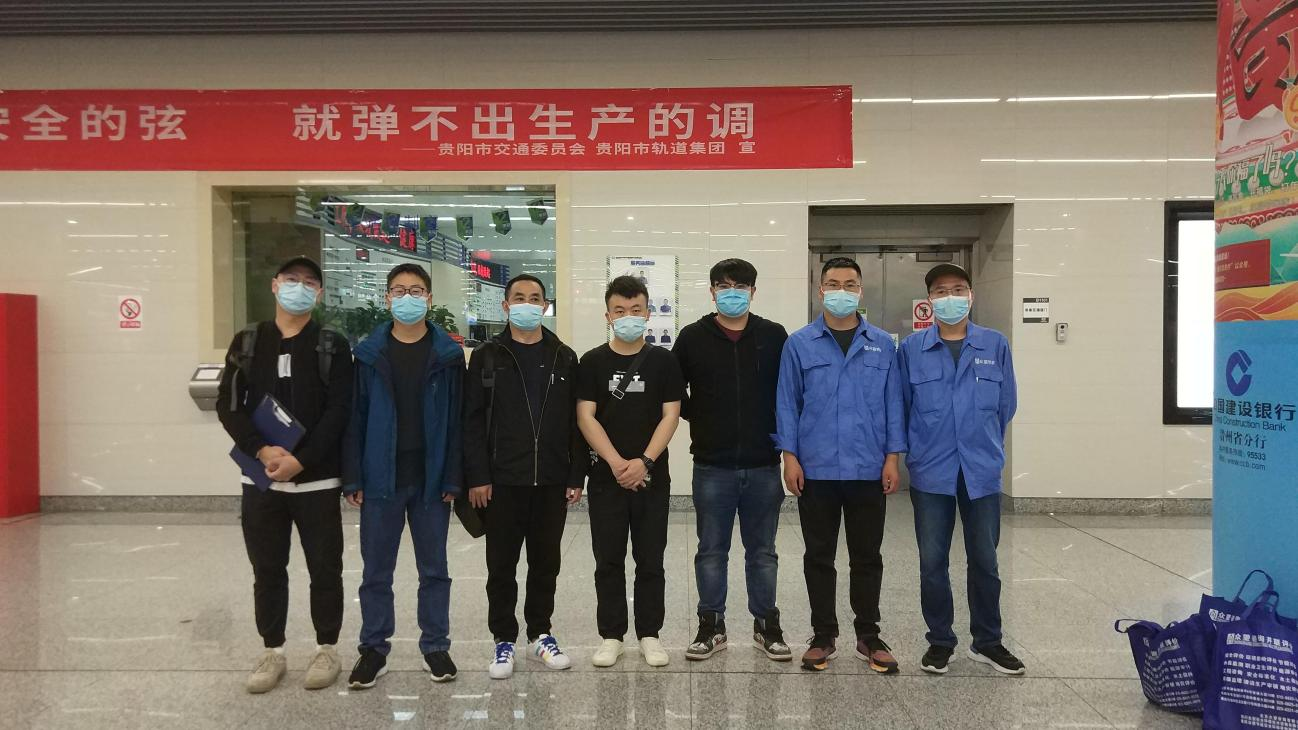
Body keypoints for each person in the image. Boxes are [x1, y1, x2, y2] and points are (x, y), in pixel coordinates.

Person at [216, 255, 353, 694]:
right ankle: (272, 650)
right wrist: (260, 449)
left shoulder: (331, 346)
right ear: (275, 285)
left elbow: (339, 412)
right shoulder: (248, 342)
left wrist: (302, 460)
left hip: (317, 481)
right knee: (268, 568)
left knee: (325, 568)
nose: (300, 287)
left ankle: (326, 647)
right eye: (292, 280)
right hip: (261, 479)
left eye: (309, 282)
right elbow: (228, 404)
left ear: (320, 293)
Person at [775, 256, 906, 674]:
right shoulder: (799, 344)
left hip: (868, 468)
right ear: (820, 290)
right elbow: (787, 404)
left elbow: (893, 404)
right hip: (816, 469)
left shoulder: (882, 344)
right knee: (819, 555)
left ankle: (869, 635)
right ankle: (823, 635)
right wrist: (789, 457)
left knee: (867, 556)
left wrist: (892, 458)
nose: (841, 292)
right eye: (833, 284)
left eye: (850, 284)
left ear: (860, 291)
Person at [343, 263, 465, 689]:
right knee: (376, 571)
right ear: (387, 298)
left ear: (429, 298)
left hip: (431, 479)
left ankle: (435, 646)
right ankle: (373, 650)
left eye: (416, 290)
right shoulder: (369, 354)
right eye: (399, 290)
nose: (407, 297)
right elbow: (354, 418)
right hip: (381, 478)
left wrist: (453, 478)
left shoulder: (448, 356)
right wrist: (353, 477)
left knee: (435, 570)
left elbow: (458, 421)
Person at [898, 264, 1024, 676]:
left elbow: (1006, 405)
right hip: (931, 470)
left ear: (970, 295)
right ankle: (940, 642)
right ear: (929, 300)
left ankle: (987, 642)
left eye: (958, 289)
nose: (950, 297)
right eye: (940, 291)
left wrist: (982, 443)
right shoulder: (912, 349)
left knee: (985, 560)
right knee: (933, 562)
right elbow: (901, 407)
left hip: (980, 469)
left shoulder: (994, 344)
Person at [462, 274, 587, 680]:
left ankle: (540, 633)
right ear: (505, 306)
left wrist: (576, 474)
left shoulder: (563, 356)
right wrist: (477, 475)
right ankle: (503, 639)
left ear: (545, 306)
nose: (527, 304)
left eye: (535, 298)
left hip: (551, 479)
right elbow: (472, 420)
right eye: (519, 298)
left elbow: (577, 423)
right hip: (501, 481)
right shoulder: (487, 356)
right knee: (501, 565)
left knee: (545, 562)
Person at [673, 258, 791, 662]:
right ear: (711, 292)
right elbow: (673, 392)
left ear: (753, 292)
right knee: (711, 551)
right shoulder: (692, 337)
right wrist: (704, 416)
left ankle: (766, 625)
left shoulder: (773, 335)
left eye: (740, 286)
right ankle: (711, 625)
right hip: (712, 465)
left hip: (763, 465)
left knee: (763, 552)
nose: (732, 293)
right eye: (723, 286)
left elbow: (788, 392)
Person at [576, 275, 684, 668]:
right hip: (606, 479)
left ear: (648, 313)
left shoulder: (663, 361)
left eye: (635, 309)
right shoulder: (592, 361)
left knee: (650, 559)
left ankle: (650, 634)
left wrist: (644, 462)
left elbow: (671, 415)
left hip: (651, 477)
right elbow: (585, 416)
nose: (628, 316)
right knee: (608, 560)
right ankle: (611, 636)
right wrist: (617, 463)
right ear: (607, 315)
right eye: (619, 310)